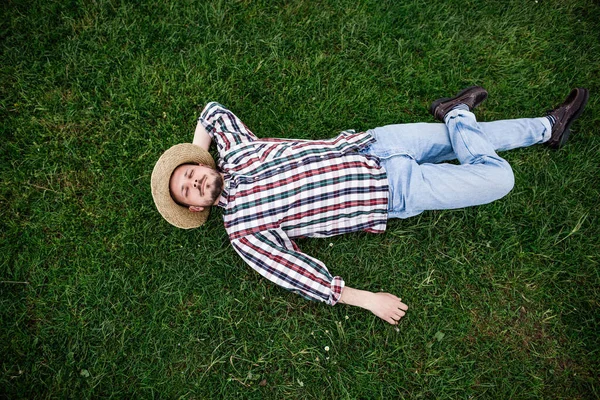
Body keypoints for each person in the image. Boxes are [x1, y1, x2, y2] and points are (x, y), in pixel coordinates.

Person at [151, 86, 589, 325]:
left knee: (480, 139)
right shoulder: (243, 230)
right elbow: (299, 275)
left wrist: (198, 154)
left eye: (189, 173)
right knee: (499, 178)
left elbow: (212, 112)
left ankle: (549, 126)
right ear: (196, 210)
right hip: (394, 191)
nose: (194, 181)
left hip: (377, 142)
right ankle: (455, 113)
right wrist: (367, 300)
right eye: (188, 190)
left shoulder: (234, 151)